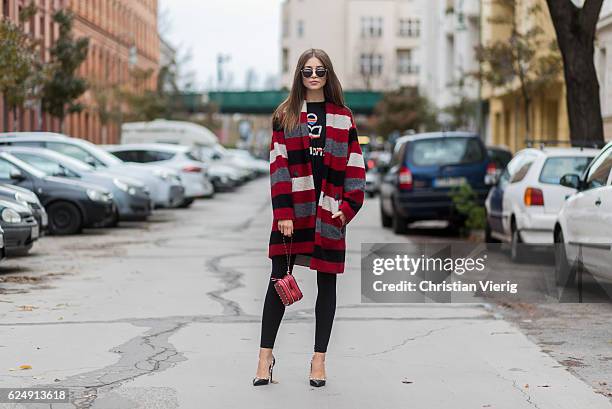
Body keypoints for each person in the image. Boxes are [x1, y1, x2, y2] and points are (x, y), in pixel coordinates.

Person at [253, 48, 366, 387]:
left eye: (320, 71)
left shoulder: (342, 116)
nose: (314, 76)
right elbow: (278, 166)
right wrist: (283, 212)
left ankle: (319, 360)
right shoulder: (285, 114)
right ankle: (264, 358)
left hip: (328, 213)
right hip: (294, 213)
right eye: (307, 71)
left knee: (326, 284)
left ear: (329, 75)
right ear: (299, 76)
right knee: (278, 282)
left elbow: (356, 167)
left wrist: (345, 210)